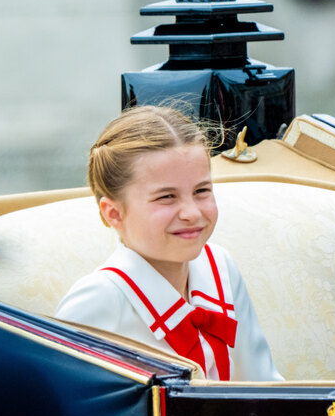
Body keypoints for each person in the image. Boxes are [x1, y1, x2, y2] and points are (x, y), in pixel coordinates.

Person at [56, 105, 282, 381]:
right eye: (166, 197)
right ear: (114, 213)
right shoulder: (98, 300)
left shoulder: (221, 267)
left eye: (201, 191)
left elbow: (263, 387)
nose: (192, 213)